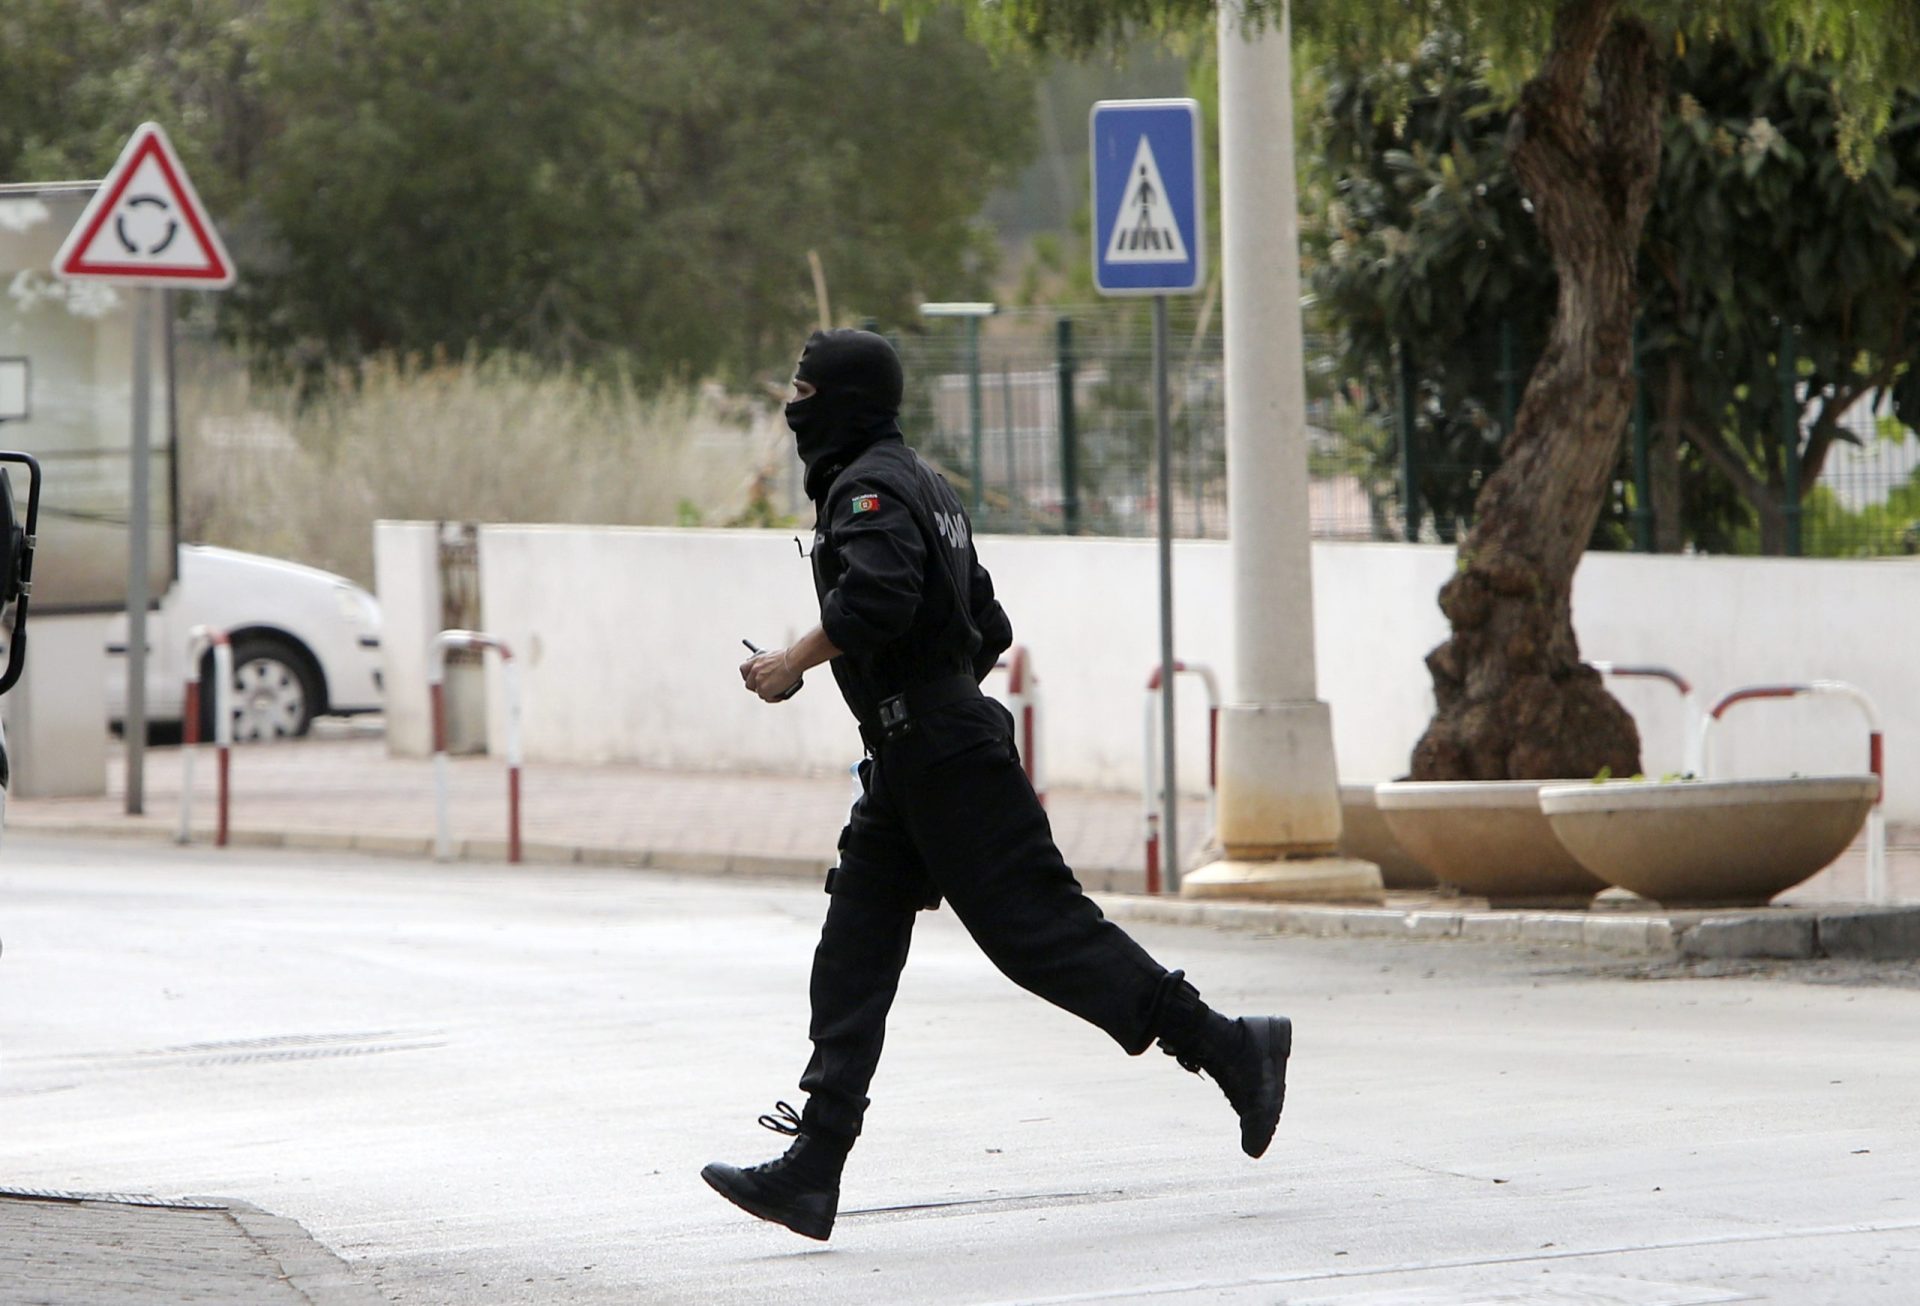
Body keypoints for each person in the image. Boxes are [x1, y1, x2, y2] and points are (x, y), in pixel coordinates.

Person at [703, 328, 1290, 1242]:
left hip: (938, 753)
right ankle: (815, 1163)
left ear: (844, 401)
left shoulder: (867, 487)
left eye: (803, 391)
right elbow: (990, 623)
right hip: (921, 751)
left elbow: (875, 601)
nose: (793, 407)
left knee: (1039, 935)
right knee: (854, 943)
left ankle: (1227, 1046)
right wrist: (928, 707)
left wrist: (795, 663)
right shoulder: (924, 484)